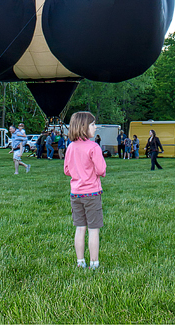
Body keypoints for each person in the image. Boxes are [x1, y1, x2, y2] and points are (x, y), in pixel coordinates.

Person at [63, 111, 106, 270]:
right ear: (83, 127)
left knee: (80, 228)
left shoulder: (70, 147)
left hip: (76, 194)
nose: (95, 127)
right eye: (93, 125)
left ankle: (80, 262)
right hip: (92, 194)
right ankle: (94, 263)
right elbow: (101, 169)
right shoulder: (94, 147)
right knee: (93, 229)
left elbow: (67, 170)